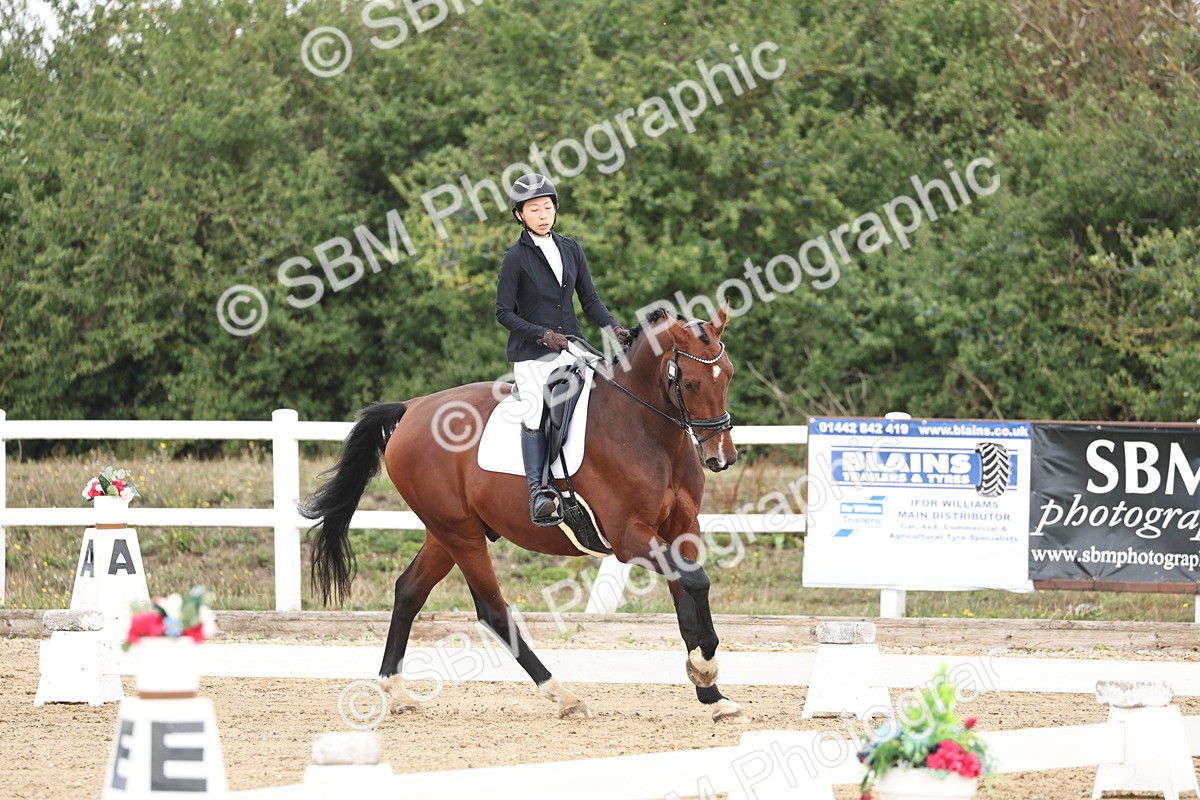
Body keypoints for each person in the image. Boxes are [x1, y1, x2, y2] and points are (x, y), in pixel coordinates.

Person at [495, 173, 630, 524]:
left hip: (574, 346)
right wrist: (542, 335)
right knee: (535, 409)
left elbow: (590, 300)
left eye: (547, 207)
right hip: (533, 353)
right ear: (519, 215)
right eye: (534, 209)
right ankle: (538, 492)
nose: (543, 215)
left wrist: (615, 328)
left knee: (612, 390)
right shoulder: (515, 258)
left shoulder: (570, 248)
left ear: (555, 209)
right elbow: (503, 312)